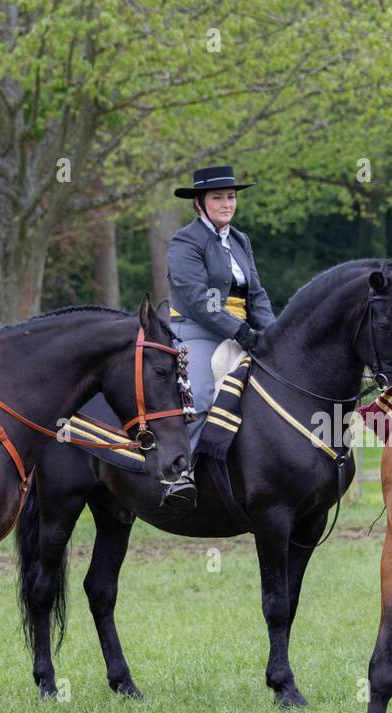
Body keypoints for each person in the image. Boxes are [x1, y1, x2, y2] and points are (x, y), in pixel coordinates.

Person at [164, 165, 277, 505]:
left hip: (238, 332)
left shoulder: (240, 240)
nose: (227, 203)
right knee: (199, 393)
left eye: (231, 197)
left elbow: (255, 295)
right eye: (218, 198)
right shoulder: (186, 241)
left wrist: (275, 334)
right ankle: (178, 473)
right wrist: (239, 331)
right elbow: (199, 301)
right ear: (199, 202)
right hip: (197, 332)